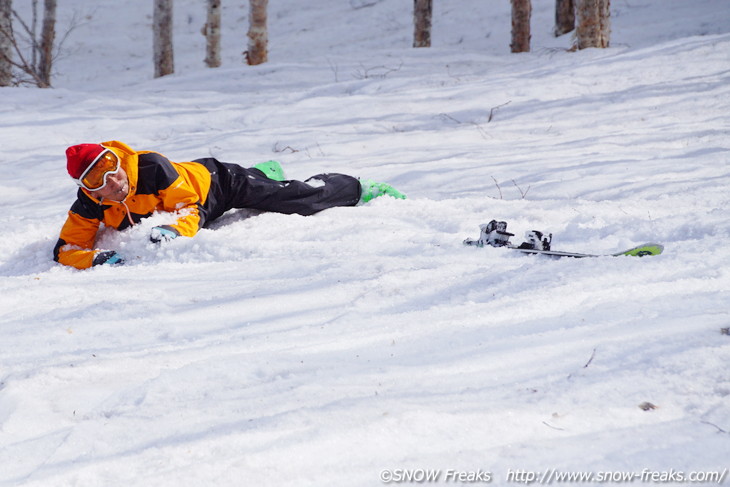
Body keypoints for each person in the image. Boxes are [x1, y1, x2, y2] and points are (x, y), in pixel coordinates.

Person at [54, 140, 406, 269]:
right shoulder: (88, 205)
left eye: (113, 168)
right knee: (267, 185)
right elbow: (67, 248)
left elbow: (190, 210)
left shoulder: (151, 167)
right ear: (88, 189)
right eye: (98, 180)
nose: (114, 181)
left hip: (218, 184)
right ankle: (263, 172)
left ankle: (356, 188)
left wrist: (172, 229)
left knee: (296, 200)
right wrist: (95, 259)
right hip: (197, 197)